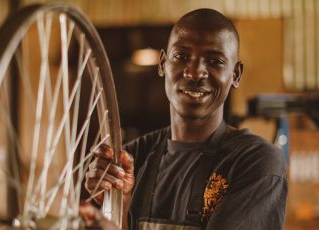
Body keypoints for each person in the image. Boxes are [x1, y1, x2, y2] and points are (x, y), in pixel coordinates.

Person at [84, 8, 288, 230]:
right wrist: (117, 206)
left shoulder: (255, 162)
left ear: (235, 74)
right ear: (163, 64)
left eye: (215, 61)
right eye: (181, 57)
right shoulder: (132, 159)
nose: (194, 72)